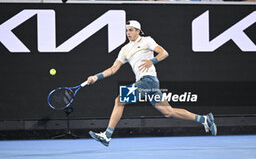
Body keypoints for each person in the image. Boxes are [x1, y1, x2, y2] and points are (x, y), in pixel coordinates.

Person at [86, 20, 217, 147]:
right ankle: (204, 119)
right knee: (168, 112)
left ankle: (107, 135)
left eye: (131, 30)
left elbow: (164, 53)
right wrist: (96, 77)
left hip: (148, 80)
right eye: (126, 30)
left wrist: (152, 61)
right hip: (148, 84)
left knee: (119, 100)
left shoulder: (147, 40)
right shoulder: (124, 49)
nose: (128, 33)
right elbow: (113, 68)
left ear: (138, 31)